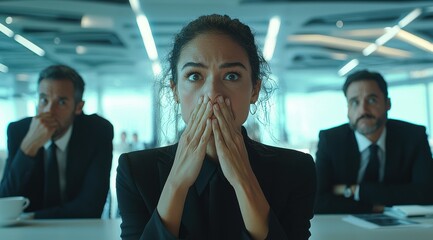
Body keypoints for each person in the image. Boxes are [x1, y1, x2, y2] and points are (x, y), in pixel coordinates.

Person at [116, 14, 316, 240]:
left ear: (254, 90)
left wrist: (244, 181)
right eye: (194, 76)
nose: (212, 93)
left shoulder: (296, 170)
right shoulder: (136, 172)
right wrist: (176, 183)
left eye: (231, 76)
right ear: (175, 91)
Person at [0, 64, 114, 218]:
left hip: (78, 230)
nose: (49, 110)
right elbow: (5, 203)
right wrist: (27, 149)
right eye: (43, 100)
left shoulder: (98, 131)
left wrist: (32, 217)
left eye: (61, 102)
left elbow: (91, 207)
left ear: (78, 107)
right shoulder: (18, 131)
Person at [315, 69, 433, 214]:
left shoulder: (414, 136)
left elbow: (427, 193)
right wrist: (373, 208)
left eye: (372, 100)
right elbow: (317, 200)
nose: (363, 110)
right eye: (354, 102)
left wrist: (355, 190)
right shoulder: (330, 141)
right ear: (347, 110)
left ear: (387, 104)